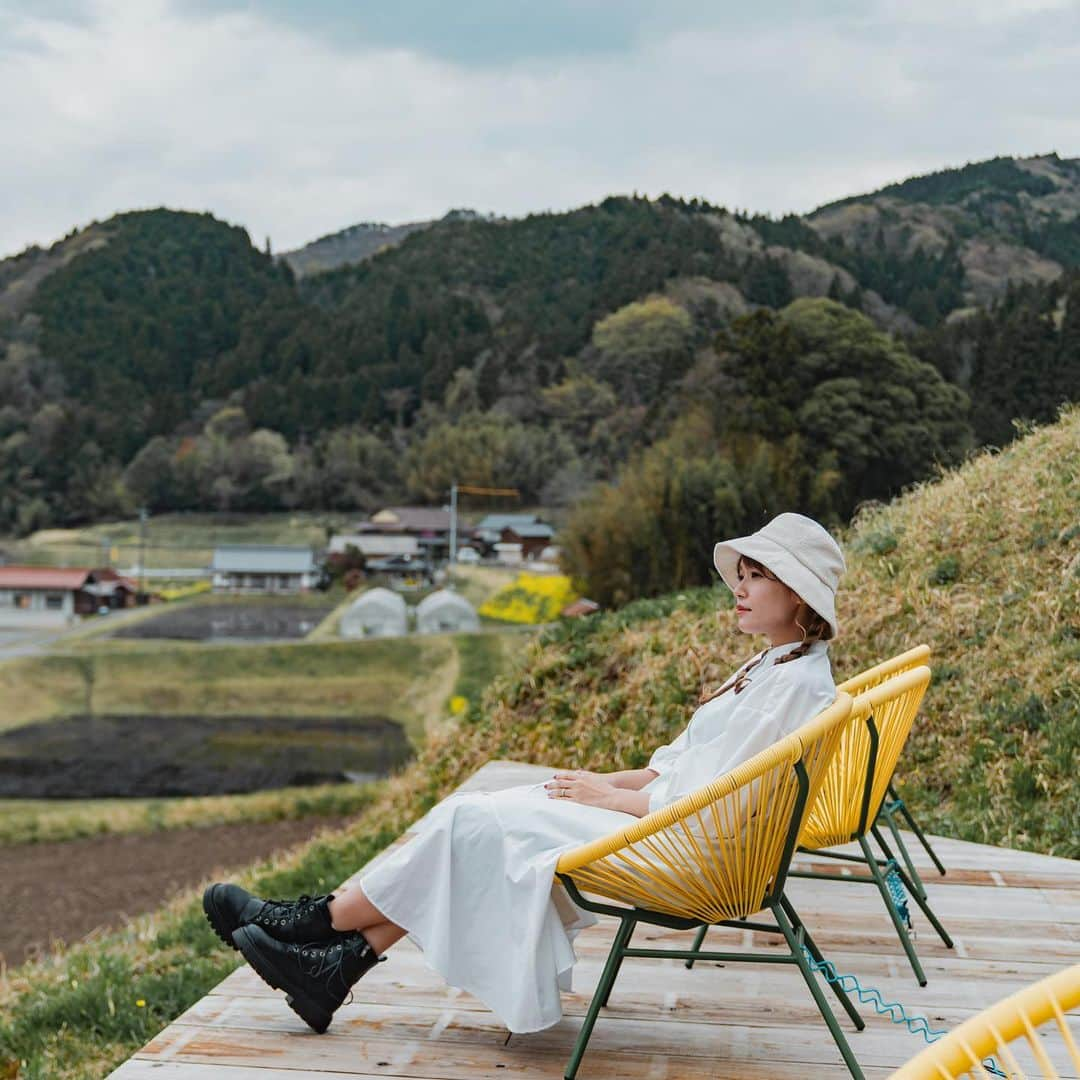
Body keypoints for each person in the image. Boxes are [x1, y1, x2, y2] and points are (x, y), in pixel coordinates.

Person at [203, 512, 846, 1036]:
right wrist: (601, 785)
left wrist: (606, 799)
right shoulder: (777, 668)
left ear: (797, 595)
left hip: (684, 849)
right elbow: (673, 770)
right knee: (488, 817)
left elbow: (713, 804)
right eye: (742, 572)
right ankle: (337, 968)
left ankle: (316, 924)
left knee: (471, 820)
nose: (739, 585)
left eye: (757, 576)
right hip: (667, 826)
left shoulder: (788, 687)